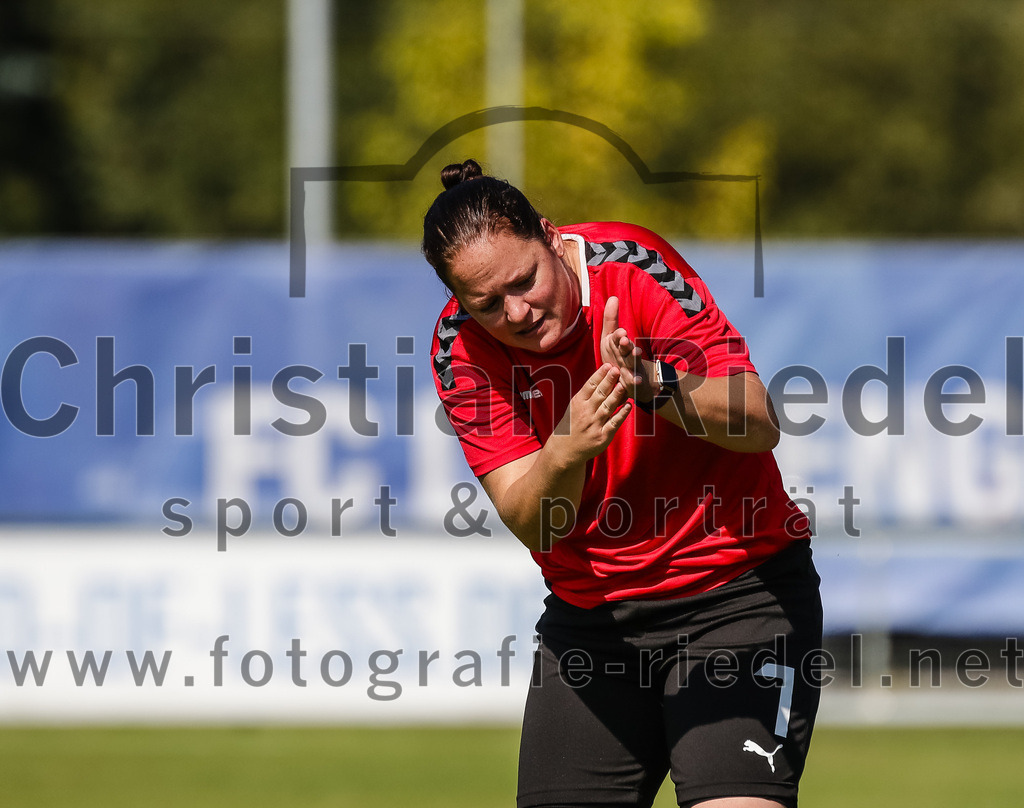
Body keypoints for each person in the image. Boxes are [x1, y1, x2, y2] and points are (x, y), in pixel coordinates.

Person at [424, 159, 822, 808]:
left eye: (524, 281)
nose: (516, 311)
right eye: (486, 302)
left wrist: (656, 386)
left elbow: (758, 422)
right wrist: (568, 448)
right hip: (594, 620)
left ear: (551, 238)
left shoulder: (636, 269)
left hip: (737, 597)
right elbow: (533, 520)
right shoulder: (459, 348)